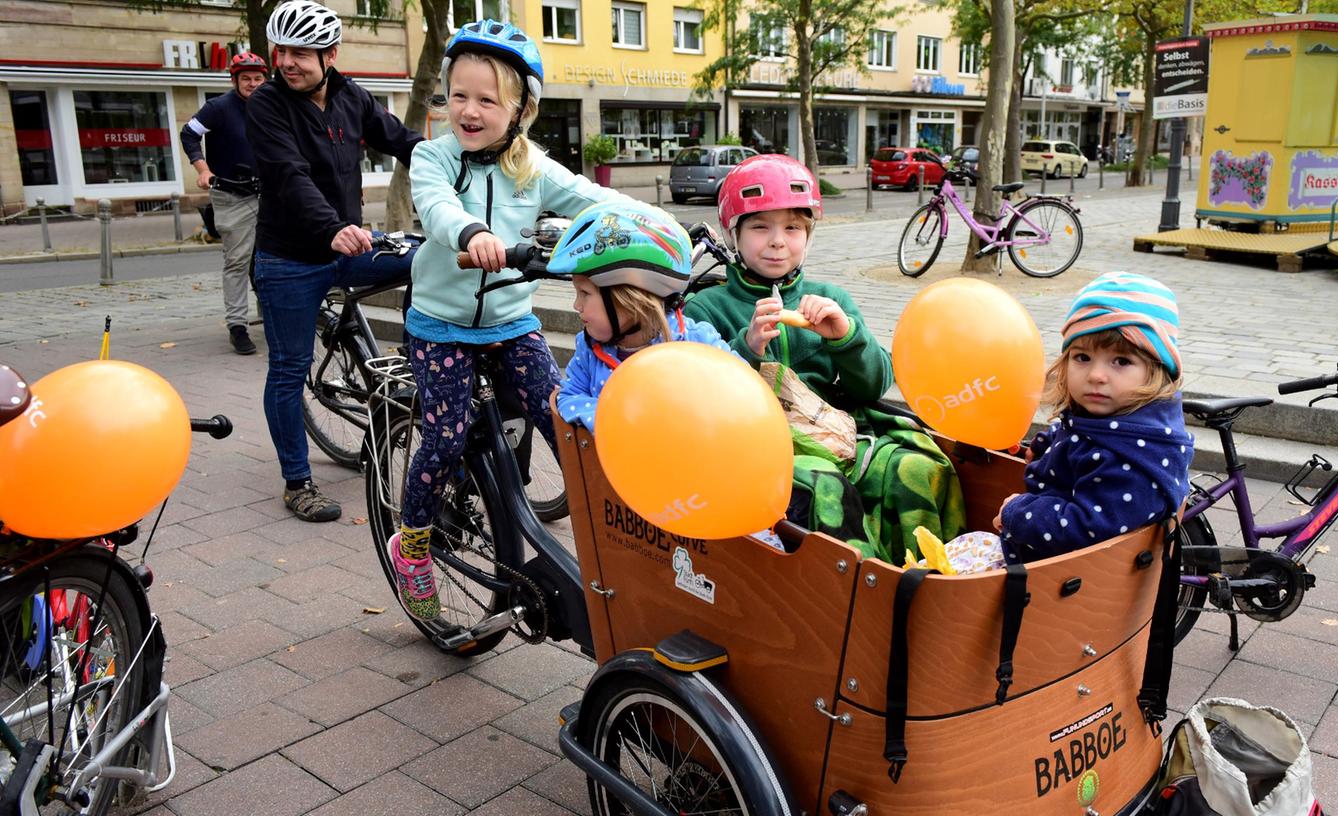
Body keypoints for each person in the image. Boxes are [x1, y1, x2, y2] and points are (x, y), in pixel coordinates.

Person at [384, 20, 621, 618]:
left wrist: (660, 229)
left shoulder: (531, 167)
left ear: (520, 111)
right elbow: (437, 209)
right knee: (445, 433)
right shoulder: (431, 156)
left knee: (562, 417)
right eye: (458, 95)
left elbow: (597, 199)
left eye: (487, 99)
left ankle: (608, 536)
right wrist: (473, 233)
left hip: (511, 322)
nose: (469, 109)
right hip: (440, 324)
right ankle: (410, 545)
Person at [684, 154, 965, 566]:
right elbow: (698, 403)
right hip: (759, 448)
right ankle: (864, 595)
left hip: (846, 436)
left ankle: (931, 576)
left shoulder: (830, 297)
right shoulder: (706, 308)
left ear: (808, 235)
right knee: (824, 487)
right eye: (761, 226)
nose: (778, 241)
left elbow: (874, 385)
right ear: (734, 234)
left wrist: (846, 337)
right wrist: (747, 351)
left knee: (918, 466)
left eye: (793, 228)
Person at [246, 0, 423, 522]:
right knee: (287, 370)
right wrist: (334, 229)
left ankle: (412, 366)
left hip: (348, 247)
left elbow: (403, 140)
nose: (287, 62)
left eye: (301, 52)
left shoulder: (352, 96)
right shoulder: (268, 104)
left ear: (330, 54)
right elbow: (289, 175)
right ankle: (297, 482)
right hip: (291, 260)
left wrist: (468, 162)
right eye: (282, 51)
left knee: (429, 259)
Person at [992, 271, 1195, 564]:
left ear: (1157, 370)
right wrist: (1045, 443)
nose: (1096, 375)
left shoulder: (1130, 460)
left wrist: (1018, 513)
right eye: (1082, 358)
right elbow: (1080, 432)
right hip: (1042, 563)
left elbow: (1088, 528)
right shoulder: (1116, 419)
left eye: (1121, 361)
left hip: (1064, 580)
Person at [552, 201, 731, 434]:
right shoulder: (589, 350)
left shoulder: (694, 341)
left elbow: (740, 384)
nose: (576, 305)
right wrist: (615, 418)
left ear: (630, 300)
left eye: (585, 293)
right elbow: (568, 398)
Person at [180, 50, 268, 355]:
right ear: (235, 80)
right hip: (231, 194)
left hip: (269, 194)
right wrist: (203, 170)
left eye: (258, 78)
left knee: (269, 259)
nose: (253, 83)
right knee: (238, 259)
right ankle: (237, 326)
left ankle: (270, 317)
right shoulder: (218, 108)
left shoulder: (271, 106)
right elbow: (188, 135)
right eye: (246, 78)